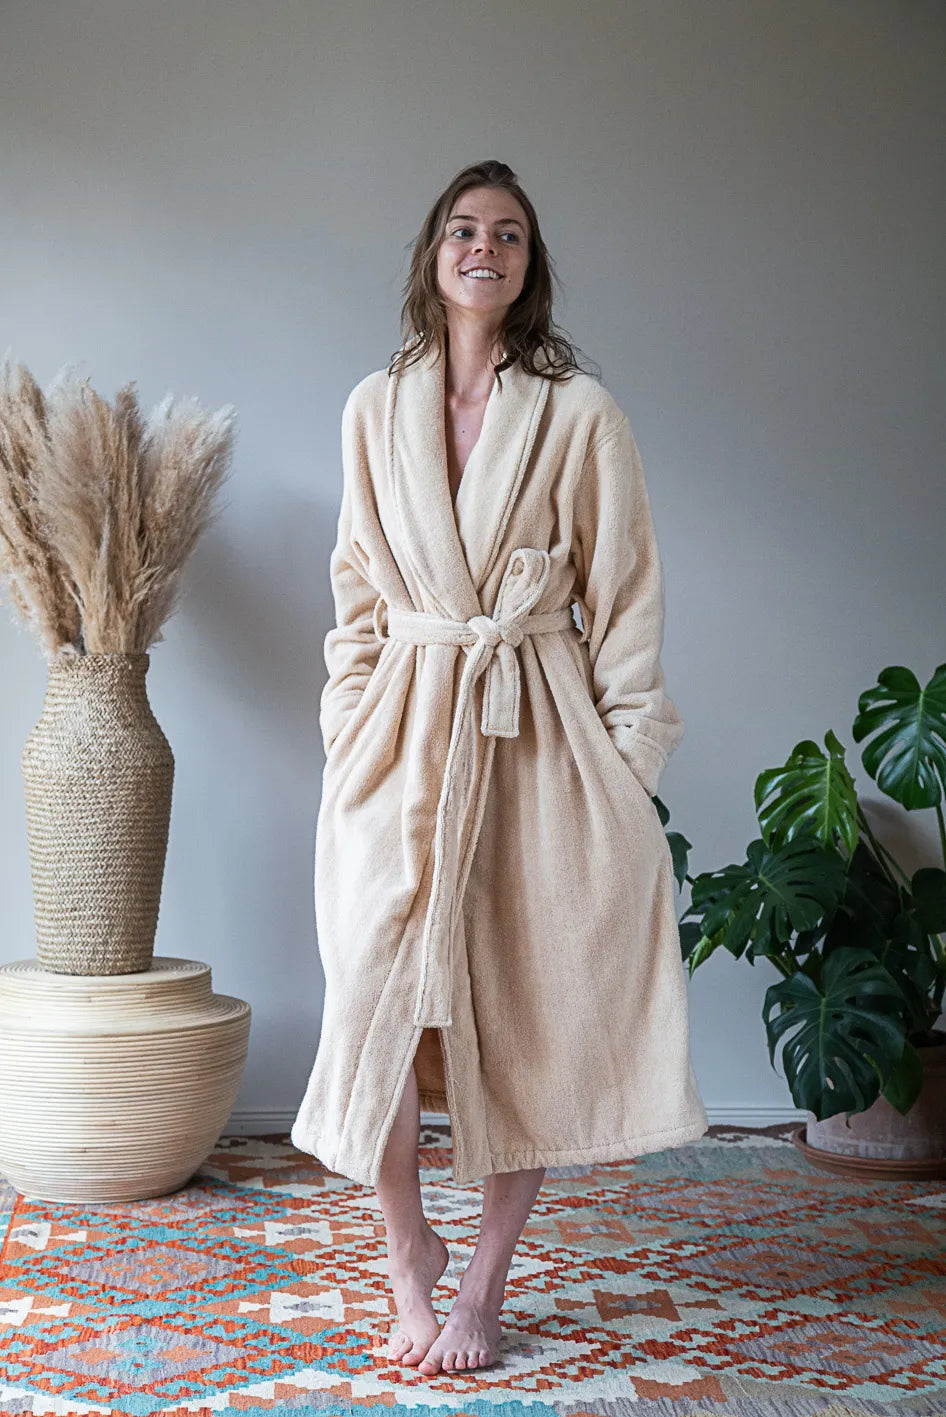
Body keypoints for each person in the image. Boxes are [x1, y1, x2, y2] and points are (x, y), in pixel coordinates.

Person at [291, 159, 708, 1377]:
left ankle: (480, 1284)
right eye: (465, 230)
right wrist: (349, 723)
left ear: (530, 265)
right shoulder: (375, 407)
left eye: (509, 234)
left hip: (535, 733)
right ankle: (405, 1251)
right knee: (371, 991)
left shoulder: (580, 414)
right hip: (404, 730)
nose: (485, 247)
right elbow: (356, 587)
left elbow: (624, 596)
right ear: (434, 255)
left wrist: (626, 763)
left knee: (528, 1007)